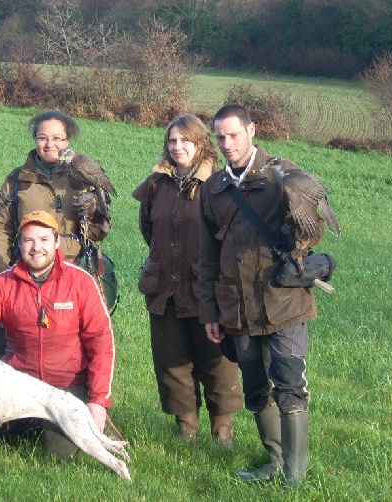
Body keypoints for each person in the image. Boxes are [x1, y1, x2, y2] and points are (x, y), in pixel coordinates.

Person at [199, 104, 320, 485]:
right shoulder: (213, 189)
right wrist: (209, 312)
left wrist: (299, 234)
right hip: (236, 306)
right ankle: (274, 460)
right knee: (255, 388)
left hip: (283, 299)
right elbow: (207, 257)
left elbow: (313, 231)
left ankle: (294, 476)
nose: (227, 143)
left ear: (252, 130)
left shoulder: (282, 176)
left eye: (234, 135)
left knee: (289, 385)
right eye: (220, 137)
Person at [0, 210, 115, 459]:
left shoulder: (81, 282)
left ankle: (38, 427)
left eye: (44, 240)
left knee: (60, 454)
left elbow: (101, 342)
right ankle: (21, 423)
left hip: (65, 384)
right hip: (17, 381)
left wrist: (98, 401)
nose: (37, 248)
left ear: (57, 242)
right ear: (20, 244)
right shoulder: (4, 283)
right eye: (29, 240)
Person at [132, 115, 242, 446]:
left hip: (207, 290)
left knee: (217, 361)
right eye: (172, 141)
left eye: (185, 141)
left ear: (201, 143)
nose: (177, 147)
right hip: (163, 286)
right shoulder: (156, 184)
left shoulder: (219, 185)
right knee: (172, 360)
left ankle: (222, 430)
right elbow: (148, 230)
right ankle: (186, 428)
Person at [0, 110, 112, 356]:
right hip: (23, 276)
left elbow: (97, 233)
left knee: (72, 353)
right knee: (12, 350)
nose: (50, 144)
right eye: (43, 137)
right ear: (35, 140)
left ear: (68, 141)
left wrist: (94, 212)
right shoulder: (17, 179)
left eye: (58, 138)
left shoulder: (83, 176)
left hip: (72, 276)